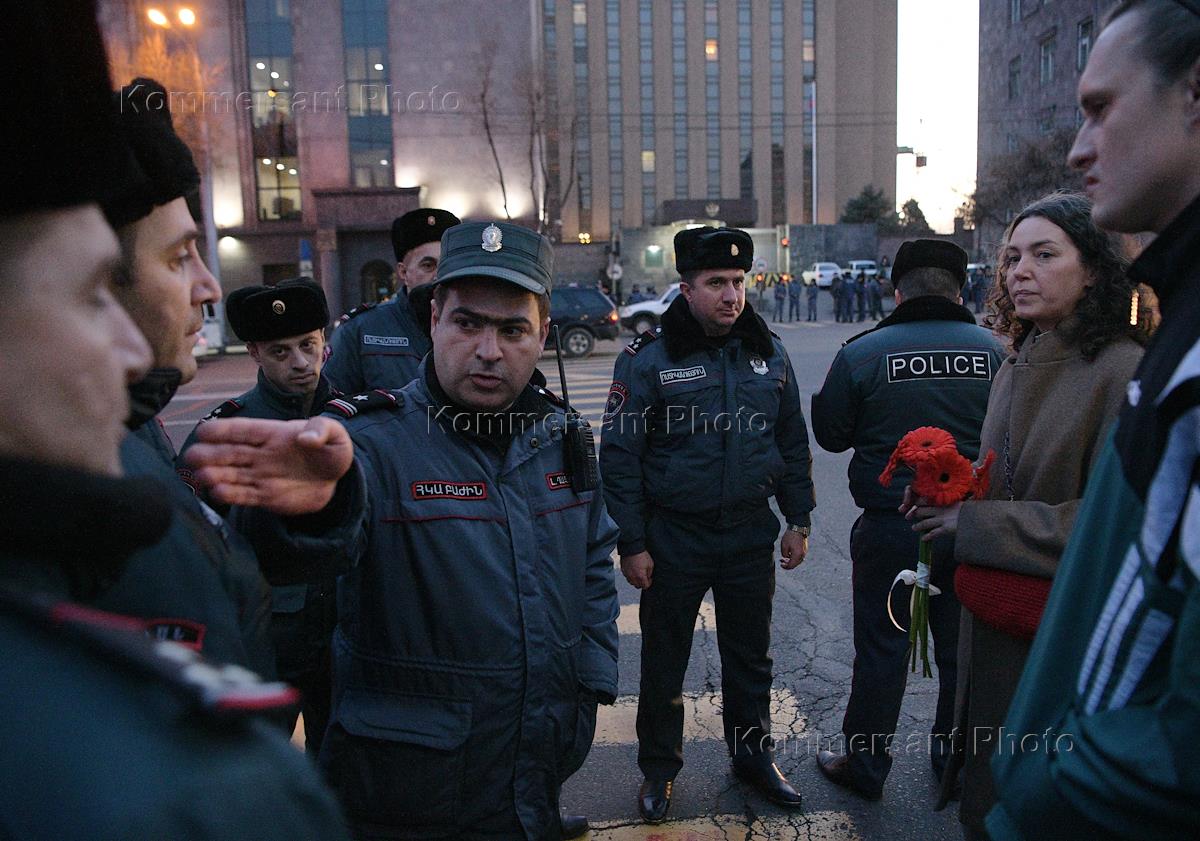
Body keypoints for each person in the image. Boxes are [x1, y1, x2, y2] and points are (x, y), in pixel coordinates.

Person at [0, 4, 349, 838]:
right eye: (176, 256)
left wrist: (316, 508)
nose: (206, 287)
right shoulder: (87, 471)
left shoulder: (138, 438)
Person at [188, 221, 620, 840]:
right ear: (435, 319)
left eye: (512, 329)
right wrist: (310, 509)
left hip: (537, 766)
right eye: (468, 323)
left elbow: (594, 558)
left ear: (542, 333)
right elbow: (309, 548)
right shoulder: (373, 443)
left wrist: (591, 676)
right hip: (408, 790)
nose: (489, 350)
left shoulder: (562, 436)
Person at [987, 4, 1200, 838]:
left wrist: (1044, 791)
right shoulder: (1019, 359)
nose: (1079, 149)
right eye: (1013, 256)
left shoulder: (1144, 363)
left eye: (1101, 108)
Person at [902, 194, 1146, 839]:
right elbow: (1011, 476)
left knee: (1039, 804)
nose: (1020, 272)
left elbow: (1120, 524)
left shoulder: (1125, 370)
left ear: (1093, 269)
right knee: (989, 790)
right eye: (1011, 258)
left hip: (1064, 635)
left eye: (1044, 254)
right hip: (994, 616)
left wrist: (975, 525)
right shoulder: (1016, 360)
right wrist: (950, 490)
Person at [599, 226, 815, 822]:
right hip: (674, 538)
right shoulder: (648, 359)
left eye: (739, 281)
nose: (731, 295)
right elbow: (620, 455)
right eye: (716, 282)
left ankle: (753, 760)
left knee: (750, 658)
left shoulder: (769, 352)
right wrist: (632, 543)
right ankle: (659, 770)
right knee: (664, 660)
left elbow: (791, 440)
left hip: (747, 532)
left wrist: (798, 518)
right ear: (686, 289)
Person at [811, 240, 1005, 801]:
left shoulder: (863, 353)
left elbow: (831, 435)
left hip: (891, 527)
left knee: (882, 648)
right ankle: (953, 764)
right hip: (972, 527)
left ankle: (865, 766)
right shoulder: (996, 352)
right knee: (960, 654)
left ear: (896, 292)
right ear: (960, 292)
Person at [94, 77, 274, 676]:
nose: (210, 287)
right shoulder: (70, 468)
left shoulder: (133, 424)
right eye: (178, 258)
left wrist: (309, 518)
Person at [179, 278, 339, 755]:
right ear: (254, 353)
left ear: (324, 339)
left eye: (308, 345)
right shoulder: (225, 432)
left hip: (348, 631)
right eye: (280, 351)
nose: (300, 363)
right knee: (260, 755)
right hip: (269, 635)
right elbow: (190, 536)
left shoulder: (358, 418)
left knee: (345, 767)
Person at [324, 207, 461, 393]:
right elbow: (332, 402)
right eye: (428, 265)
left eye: (446, 265)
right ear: (403, 272)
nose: (439, 275)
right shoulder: (359, 331)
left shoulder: (475, 326)